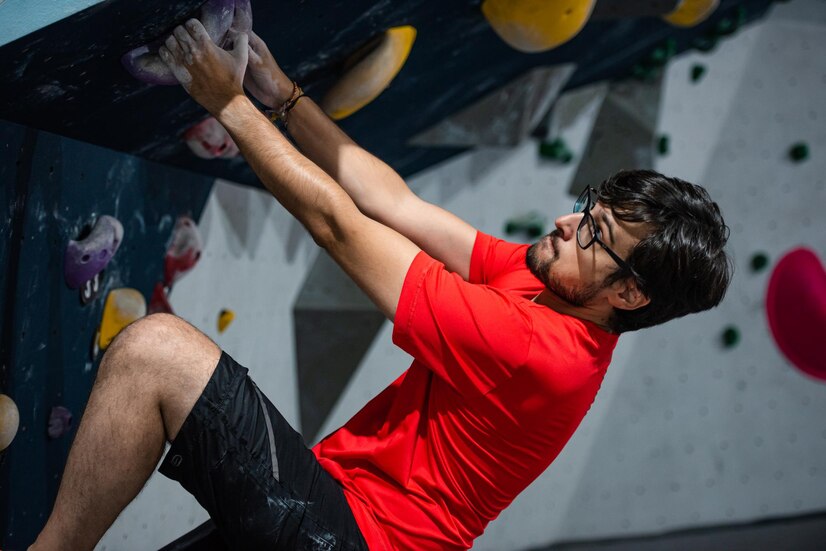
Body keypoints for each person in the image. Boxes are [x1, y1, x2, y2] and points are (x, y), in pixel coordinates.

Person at [31, 20, 732, 551]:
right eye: (587, 207)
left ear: (630, 295)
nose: (564, 221)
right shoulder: (546, 276)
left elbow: (338, 226)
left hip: (360, 536)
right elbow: (396, 203)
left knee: (157, 352)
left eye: (593, 233)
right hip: (335, 503)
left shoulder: (542, 350)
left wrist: (229, 104)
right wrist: (283, 95)